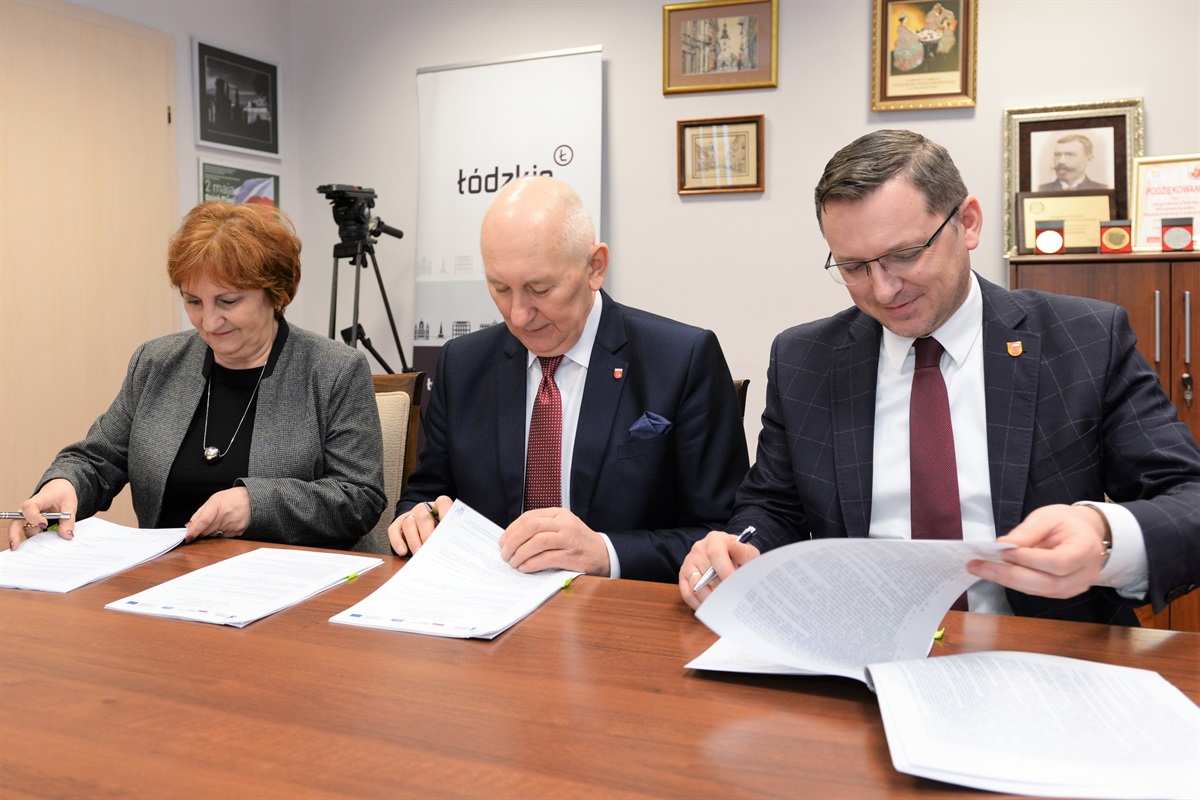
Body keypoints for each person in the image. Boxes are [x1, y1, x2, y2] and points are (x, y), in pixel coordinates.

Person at [679, 130, 1200, 624]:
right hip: (858, 648)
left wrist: (1104, 533)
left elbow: (1188, 499)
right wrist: (737, 547)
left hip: (1039, 648)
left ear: (967, 223)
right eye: (854, 267)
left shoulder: (1083, 340)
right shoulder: (805, 358)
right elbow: (773, 507)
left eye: (905, 255)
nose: (883, 290)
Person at [389, 176, 749, 582]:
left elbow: (726, 533)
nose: (518, 315)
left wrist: (606, 553)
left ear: (595, 268)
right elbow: (426, 495)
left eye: (539, 288)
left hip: (620, 607)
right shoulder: (462, 363)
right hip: (488, 603)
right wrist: (418, 519)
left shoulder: (681, 360)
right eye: (500, 288)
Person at [8, 202, 386, 551]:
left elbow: (359, 498)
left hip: (293, 582)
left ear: (276, 293)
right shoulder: (156, 363)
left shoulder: (334, 370)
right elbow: (98, 459)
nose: (209, 321)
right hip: (165, 577)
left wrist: (255, 504)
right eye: (193, 301)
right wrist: (65, 484)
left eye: (228, 301)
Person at [1038, 133, 1108, 190]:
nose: (1061, 161)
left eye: (1069, 155)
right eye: (1057, 155)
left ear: (1089, 160)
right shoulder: (1041, 189)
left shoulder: (1102, 189)